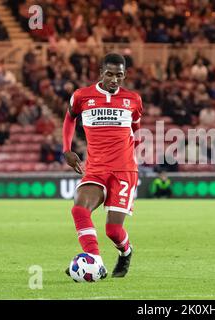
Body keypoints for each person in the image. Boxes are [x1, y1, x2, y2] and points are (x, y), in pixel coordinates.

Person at [62, 53, 143, 279]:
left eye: (119, 75)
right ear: (101, 73)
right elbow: (70, 119)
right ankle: (94, 259)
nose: (114, 79)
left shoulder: (133, 100)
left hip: (124, 171)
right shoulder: (82, 96)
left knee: (113, 231)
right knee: (79, 208)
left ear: (124, 75)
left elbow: (136, 131)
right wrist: (67, 149)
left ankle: (125, 252)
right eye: (109, 74)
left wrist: (127, 154)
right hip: (96, 168)